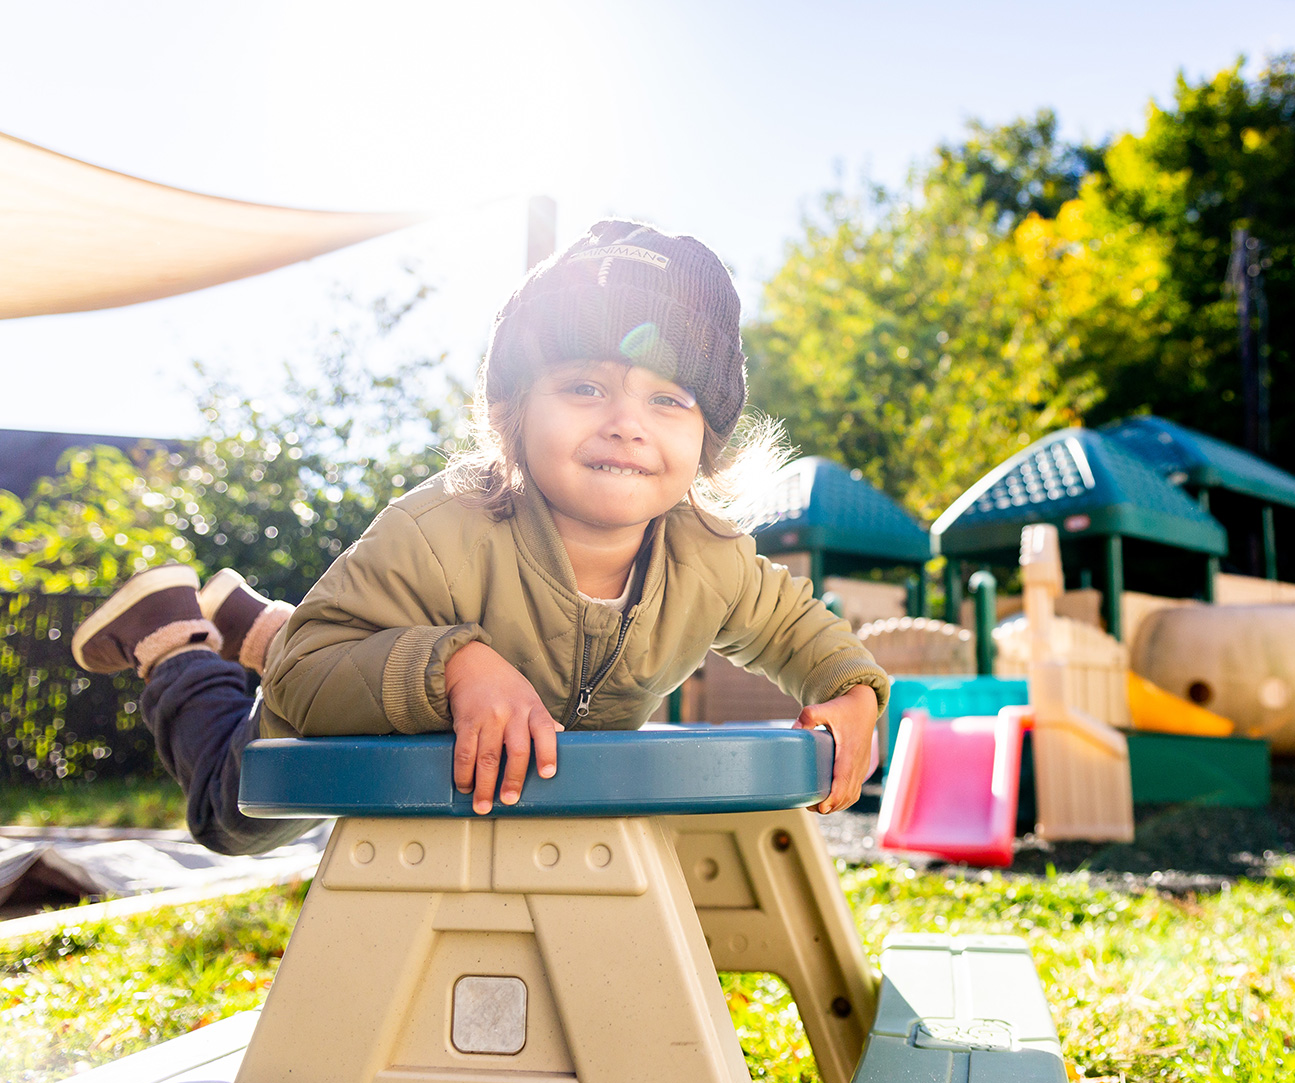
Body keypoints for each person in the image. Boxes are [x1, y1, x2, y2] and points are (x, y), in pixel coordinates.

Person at [71, 221, 888, 856]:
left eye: (668, 400)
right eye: (584, 385)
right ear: (511, 416)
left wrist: (852, 689)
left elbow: (794, 628)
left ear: (708, 440)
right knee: (231, 816)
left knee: (352, 631)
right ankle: (173, 636)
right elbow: (307, 672)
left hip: (385, 665)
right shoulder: (443, 529)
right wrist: (456, 666)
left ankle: (257, 620)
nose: (625, 423)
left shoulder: (708, 558)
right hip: (324, 718)